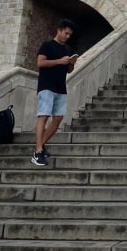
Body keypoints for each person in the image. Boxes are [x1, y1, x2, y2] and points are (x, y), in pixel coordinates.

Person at [32, 18, 77, 166]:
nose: (67, 36)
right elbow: (40, 63)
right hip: (46, 85)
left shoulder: (67, 49)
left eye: (70, 34)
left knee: (57, 119)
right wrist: (59, 61)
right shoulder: (47, 46)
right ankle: (38, 152)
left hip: (60, 87)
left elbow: (69, 71)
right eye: (66, 33)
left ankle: (40, 146)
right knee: (43, 116)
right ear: (59, 30)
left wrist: (71, 64)